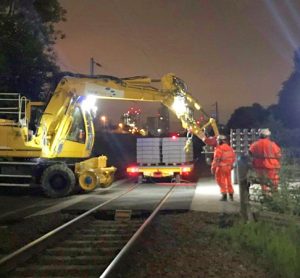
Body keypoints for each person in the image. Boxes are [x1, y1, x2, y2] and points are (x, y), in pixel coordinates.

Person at [249, 128, 281, 193]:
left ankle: (265, 195)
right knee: (273, 182)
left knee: (263, 182)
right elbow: (278, 155)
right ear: (268, 136)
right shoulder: (272, 144)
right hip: (272, 167)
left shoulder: (255, 144)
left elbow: (250, 153)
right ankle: (274, 195)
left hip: (259, 167)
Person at [211, 135, 236, 201]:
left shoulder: (219, 149)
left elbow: (216, 159)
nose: (217, 142)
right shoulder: (230, 148)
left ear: (220, 141)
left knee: (220, 181)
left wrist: (213, 168)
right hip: (228, 167)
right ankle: (231, 195)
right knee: (229, 181)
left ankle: (224, 195)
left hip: (221, 167)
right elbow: (233, 158)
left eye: (218, 140)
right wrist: (231, 165)